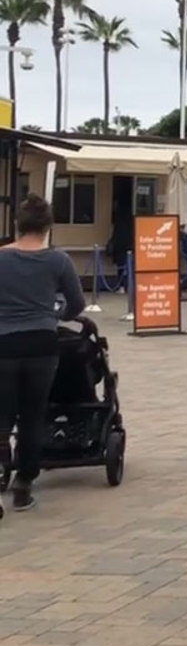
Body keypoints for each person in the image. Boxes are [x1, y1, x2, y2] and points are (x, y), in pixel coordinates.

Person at [0, 195, 86, 512]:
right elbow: (76, 304)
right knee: (33, 415)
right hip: (41, 345)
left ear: (16, 225)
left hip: (3, 345)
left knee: (2, 416)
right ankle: (24, 483)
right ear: (48, 226)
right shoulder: (58, 261)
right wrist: (58, 314)